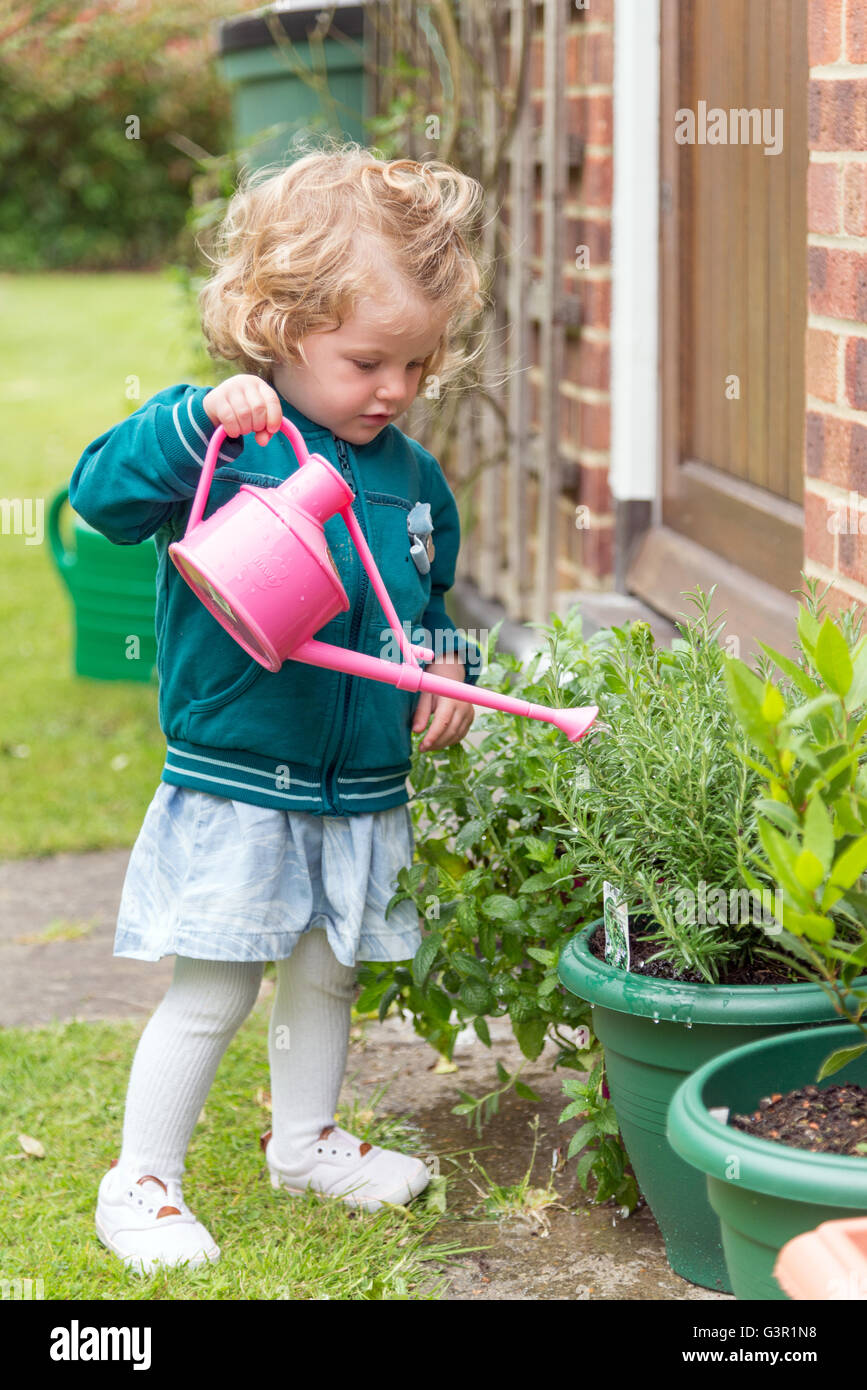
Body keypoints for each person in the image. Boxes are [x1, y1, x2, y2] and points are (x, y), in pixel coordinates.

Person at [68, 140, 487, 1275]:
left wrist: (442, 671)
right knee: (216, 980)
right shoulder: (230, 437)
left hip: (356, 785)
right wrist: (197, 421)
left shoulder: (410, 476)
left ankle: (304, 1143)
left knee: (327, 970)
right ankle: (140, 1180)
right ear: (277, 320)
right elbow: (99, 499)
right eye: (366, 361)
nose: (394, 390)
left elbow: (423, 604)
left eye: (416, 363)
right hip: (242, 774)